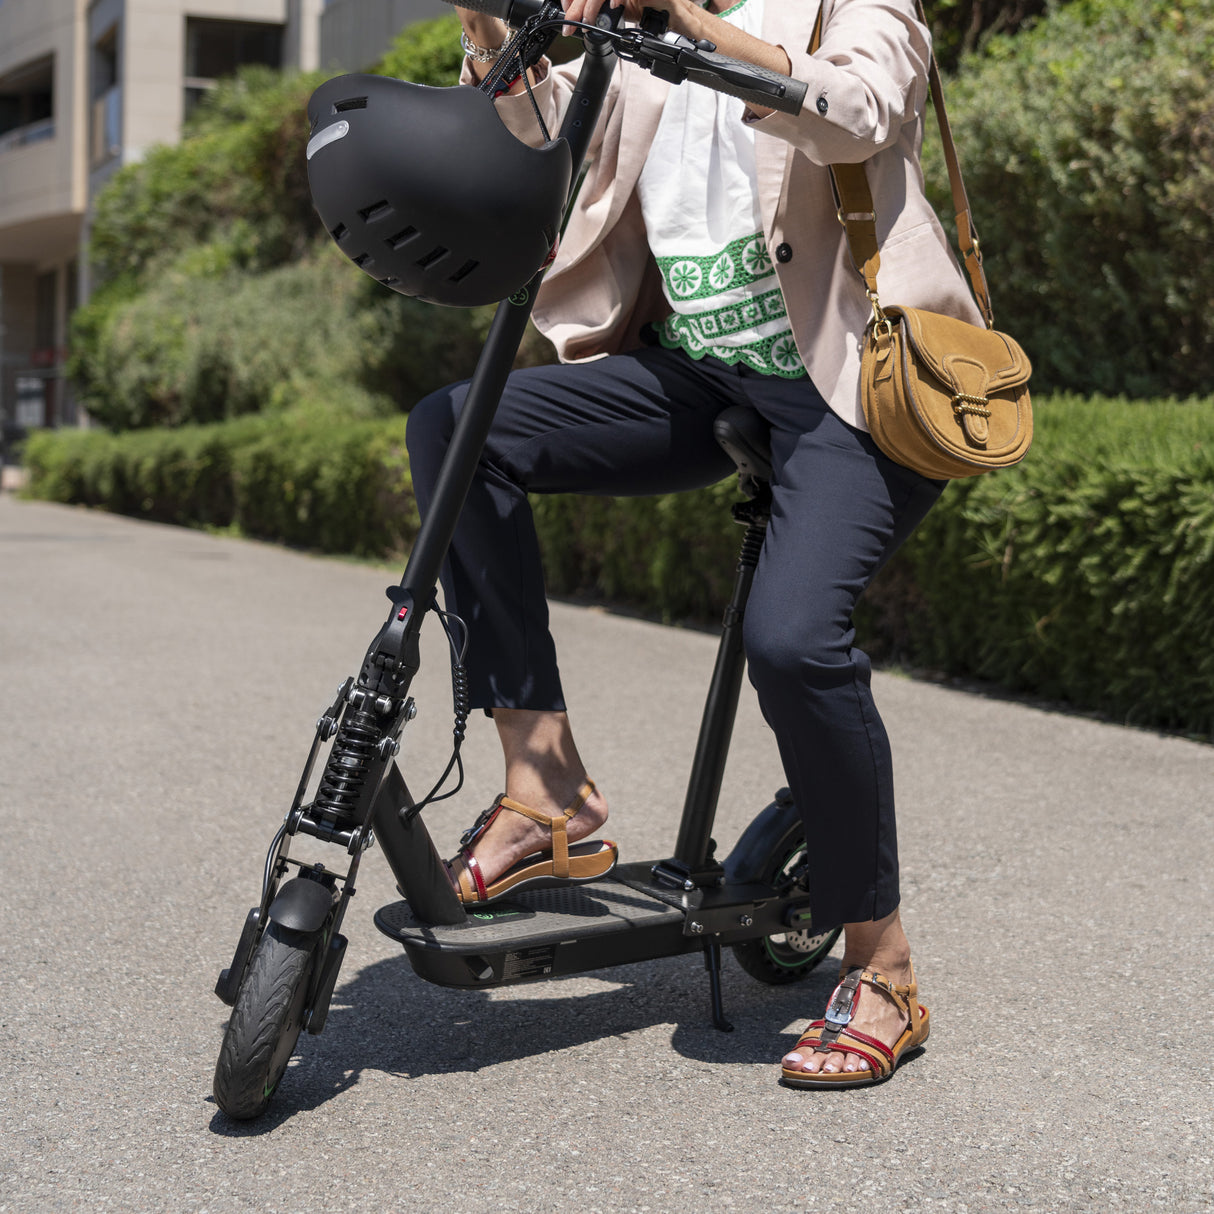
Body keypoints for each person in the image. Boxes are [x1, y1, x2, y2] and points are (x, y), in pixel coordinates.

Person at [405, 0, 981, 1087]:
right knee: (454, 428)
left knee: (794, 637)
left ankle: (883, 965)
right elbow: (544, 139)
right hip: (703, 374)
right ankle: (545, 791)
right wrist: (489, 28)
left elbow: (857, 112)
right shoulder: (637, 39)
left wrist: (681, 24)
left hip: (853, 387)